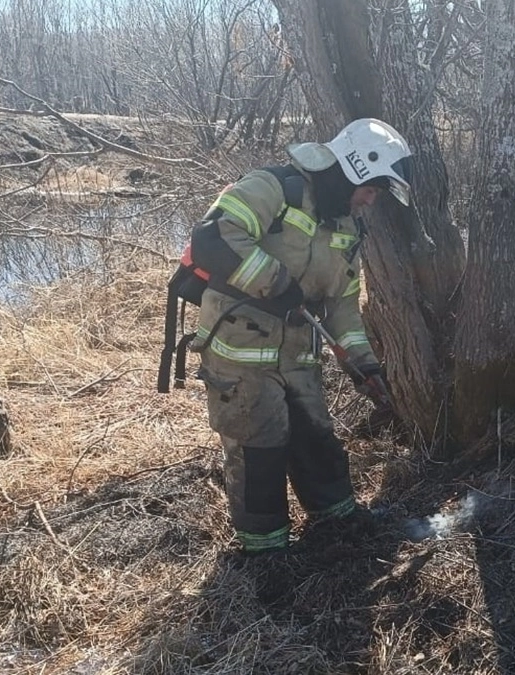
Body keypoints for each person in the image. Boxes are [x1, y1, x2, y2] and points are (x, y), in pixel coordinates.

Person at [189, 118, 412, 554]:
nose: (369, 202)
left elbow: (343, 306)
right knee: (259, 449)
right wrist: (275, 282)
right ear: (354, 168)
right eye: (372, 189)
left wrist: (362, 363)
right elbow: (212, 237)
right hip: (240, 349)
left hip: (298, 353)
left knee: (316, 437)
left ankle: (338, 522)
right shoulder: (274, 188)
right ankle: (266, 553)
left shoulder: (346, 228)